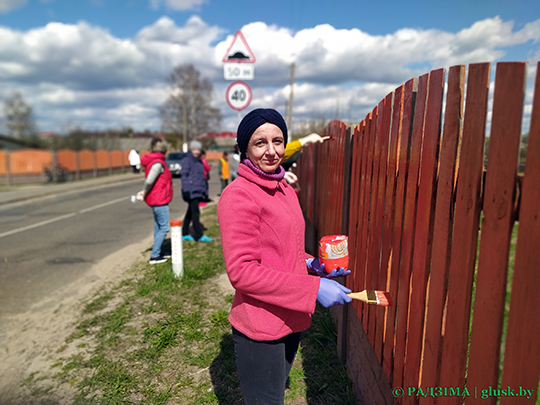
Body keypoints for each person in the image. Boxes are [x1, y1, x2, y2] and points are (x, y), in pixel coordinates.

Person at [217, 108, 351, 404]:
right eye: (260, 143)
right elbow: (242, 272)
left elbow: (283, 247)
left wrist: (311, 264)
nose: (271, 151)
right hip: (261, 327)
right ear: (244, 149)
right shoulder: (238, 196)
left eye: (277, 141)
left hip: (290, 318)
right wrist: (313, 288)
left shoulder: (283, 187)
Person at [136, 138, 172, 264]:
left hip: (156, 198)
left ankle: (160, 250)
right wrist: (144, 191)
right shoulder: (158, 163)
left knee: (158, 226)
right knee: (165, 227)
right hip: (159, 199)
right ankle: (155, 255)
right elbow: (149, 181)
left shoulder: (154, 161)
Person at [180, 140, 213, 242]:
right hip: (191, 191)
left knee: (190, 212)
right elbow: (184, 176)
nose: (196, 151)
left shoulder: (199, 160)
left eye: (198, 149)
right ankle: (198, 235)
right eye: (194, 149)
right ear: (191, 149)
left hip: (198, 190)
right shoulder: (187, 160)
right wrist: (186, 189)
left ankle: (184, 232)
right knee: (195, 212)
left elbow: (201, 177)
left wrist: (204, 192)